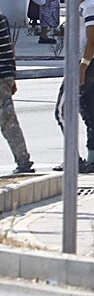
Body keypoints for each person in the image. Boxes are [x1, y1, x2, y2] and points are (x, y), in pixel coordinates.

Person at [54, 0, 94, 174]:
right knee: (89, 113)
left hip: (85, 65)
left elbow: (91, 40)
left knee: (62, 111)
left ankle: (74, 159)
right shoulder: (80, 7)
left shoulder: (90, 7)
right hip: (87, 65)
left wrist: (82, 67)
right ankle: (89, 162)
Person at [0, 13, 34, 175]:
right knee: (9, 122)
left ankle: (23, 162)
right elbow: (10, 47)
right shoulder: (1, 17)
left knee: (8, 122)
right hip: (5, 76)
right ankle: (23, 161)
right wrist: (12, 75)